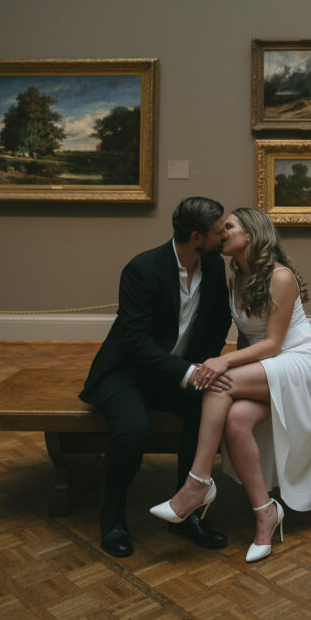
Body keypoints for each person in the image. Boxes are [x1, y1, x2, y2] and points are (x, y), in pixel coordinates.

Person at [150, 207, 311, 562]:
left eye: (228, 226)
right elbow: (250, 341)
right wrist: (230, 362)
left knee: (220, 381)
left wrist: (223, 361)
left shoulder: (280, 277)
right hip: (268, 367)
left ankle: (198, 483)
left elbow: (274, 343)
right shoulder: (236, 276)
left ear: (251, 234)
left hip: (299, 361)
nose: (222, 231)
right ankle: (265, 512)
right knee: (236, 420)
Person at [80, 196, 232, 558]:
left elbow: (218, 321)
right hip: (127, 373)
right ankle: (113, 515)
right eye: (217, 231)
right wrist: (187, 372)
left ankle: (186, 512)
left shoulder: (212, 267)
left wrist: (204, 366)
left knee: (207, 410)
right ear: (196, 236)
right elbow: (134, 342)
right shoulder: (143, 268)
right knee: (133, 431)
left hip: (175, 374)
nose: (224, 235)